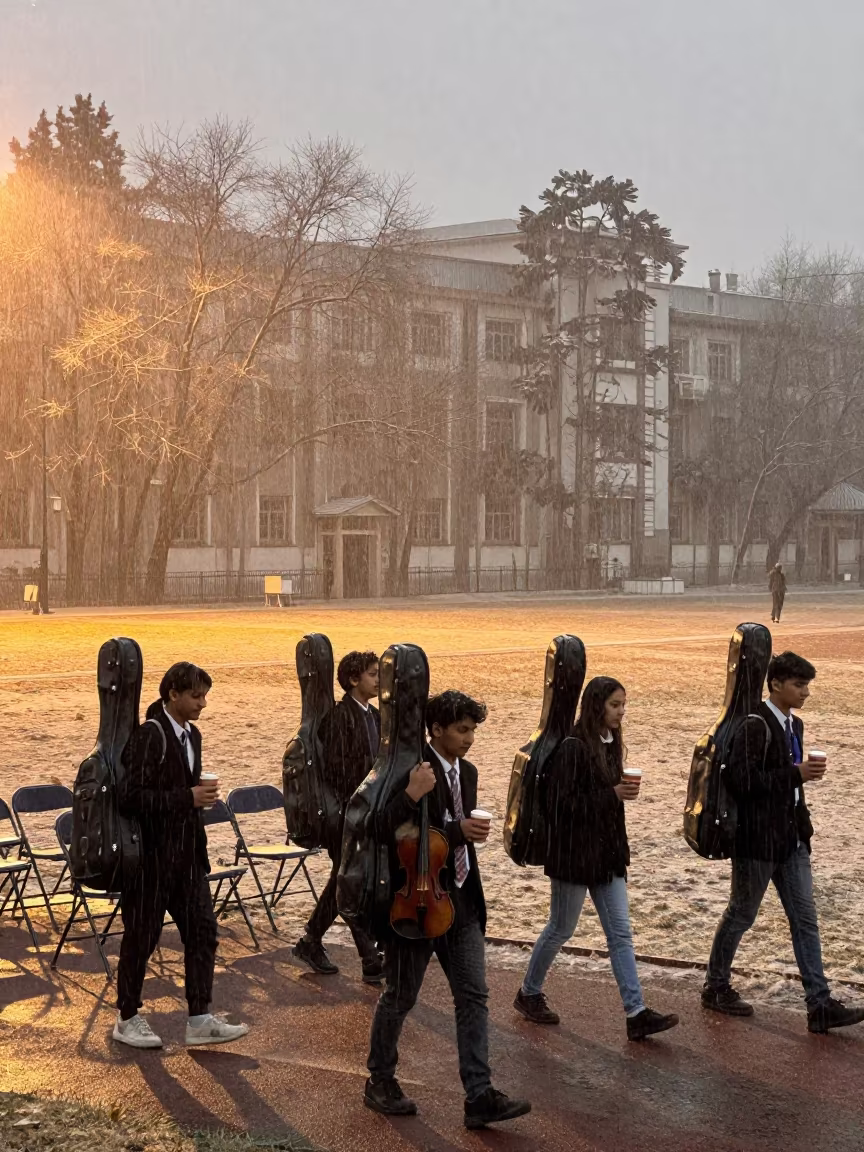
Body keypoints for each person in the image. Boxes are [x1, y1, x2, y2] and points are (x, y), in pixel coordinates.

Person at [364, 690, 531, 1130]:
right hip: (414, 905)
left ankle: (479, 1096)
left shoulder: (468, 772)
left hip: (461, 902)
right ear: (435, 729)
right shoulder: (409, 770)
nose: (470, 738)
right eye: (461, 729)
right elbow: (382, 829)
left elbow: (454, 836)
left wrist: (464, 838)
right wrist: (415, 799)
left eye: (473, 729)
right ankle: (379, 1080)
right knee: (400, 996)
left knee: (474, 997)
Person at [702, 651, 864, 1033]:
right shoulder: (754, 725)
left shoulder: (795, 725)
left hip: (790, 840)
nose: (805, 692)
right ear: (776, 684)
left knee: (805, 919)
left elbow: (786, 786)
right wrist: (796, 774)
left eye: (807, 685)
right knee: (741, 913)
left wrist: (802, 826)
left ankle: (819, 1004)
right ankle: (716, 985)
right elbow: (742, 782)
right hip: (756, 840)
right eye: (799, 685)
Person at [514, 677, 679, 1041]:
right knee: (560, 928)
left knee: (621, 933)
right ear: (596, 705)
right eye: (615, 705)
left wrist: (619, 840)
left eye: (623, 704)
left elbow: (607, 807)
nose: (621, 712)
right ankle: (528, 992)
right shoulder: (573, 747)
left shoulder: (608, 743)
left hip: (605, 857)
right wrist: (613, 794)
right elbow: (562, 806)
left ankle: (635, 1013)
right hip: (574, 857)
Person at [113, 661, 249, 1050]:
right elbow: (130, 798)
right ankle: (127, 1017)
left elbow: (182, 793)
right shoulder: (149, 736)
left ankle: (200, 1018)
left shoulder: (194, 735)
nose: (202, 704)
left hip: (189, 856)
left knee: (203, 933)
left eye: (205, 696)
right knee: (142, 937)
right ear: (172, 694)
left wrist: (196, 800)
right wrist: (186, 797)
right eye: (195, 696)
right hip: (152, 860)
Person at [294, 650, 384, 983]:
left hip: (367, 813)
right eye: (373, 674)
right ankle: (369, 957)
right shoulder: (338, 718)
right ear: (352, 679)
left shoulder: (374, 715)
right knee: (350, 884)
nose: (379, 680)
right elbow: (338, 772)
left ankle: (311, 940)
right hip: (346, 816)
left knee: (344, 882)